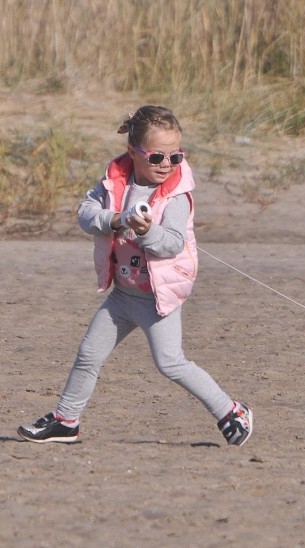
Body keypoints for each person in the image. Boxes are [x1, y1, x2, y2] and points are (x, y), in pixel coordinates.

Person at [18, 105, 253, 446]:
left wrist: (145, 231)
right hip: (122, 296)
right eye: (157, 156)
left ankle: (231, 412)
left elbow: (172, 244)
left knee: (171, 363)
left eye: (176, 156)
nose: (166, 165)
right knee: (88, 354)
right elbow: (86, 214)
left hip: (159, 301)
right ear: (133, 152)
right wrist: (117, 219)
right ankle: (66, 420)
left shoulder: (177, 197)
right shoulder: (115, 182)